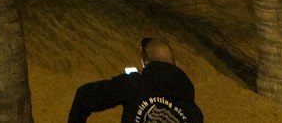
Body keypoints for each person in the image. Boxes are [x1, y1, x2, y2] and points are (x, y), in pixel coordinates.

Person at [67, 35, 203, 123]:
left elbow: (84, 96)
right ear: (176, 65)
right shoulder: (195, 115)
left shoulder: (134, 84)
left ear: (146, 61)